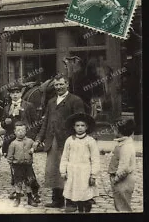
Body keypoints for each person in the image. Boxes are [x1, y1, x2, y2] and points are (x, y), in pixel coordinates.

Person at [33, 73, 85, 211]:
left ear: (67, 84)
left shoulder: (75, 100)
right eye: (56, 85)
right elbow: (46, 122)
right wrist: (39, 138)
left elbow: (80, 121)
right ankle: (57, 200)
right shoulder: (51, 102)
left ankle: (72, 202)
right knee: (54, 170)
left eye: (61, 84)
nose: (59, 87)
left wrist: (78, 139)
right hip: (52, 141)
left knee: (69, 171)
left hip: (69, 141)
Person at [1, 84, 41, 202]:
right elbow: (3, 123)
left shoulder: (28, 106)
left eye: (17, 92)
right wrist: (5, 122)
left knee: (28, 167)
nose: (15, 95)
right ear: (9, 94)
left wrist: (31, 140)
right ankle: (17, 189)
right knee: (14, 166)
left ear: (21, 93)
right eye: (12, 93)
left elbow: (35, 123)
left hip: (25, 141)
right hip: (12, 141)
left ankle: (34, 191)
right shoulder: (7, 108)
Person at [60, 113, 100, 213]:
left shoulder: (90, 141)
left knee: (85, 194)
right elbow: (65, 156)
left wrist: (93, 175)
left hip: (85, 172)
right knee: (74, 193)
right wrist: (63, 171)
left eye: (82, 125)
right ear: (74, 127)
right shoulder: (69, 140)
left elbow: (95, 159)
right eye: (77, 125)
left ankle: (86, 210)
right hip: (72, 171)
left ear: (86, 127)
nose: (80, 128)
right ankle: (75, 208)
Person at [7, 123, 39, 207]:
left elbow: (37, 146)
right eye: (18, 130)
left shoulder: (30, 141)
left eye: (23, 130)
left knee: (28, 182)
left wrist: (34, 148)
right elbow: (9, 156)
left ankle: (30, 198)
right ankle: (17, 198)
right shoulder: (13, 143)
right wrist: (11, 164)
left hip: (28, 166)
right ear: (14, 132)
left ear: (26, 131)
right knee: (18, 183)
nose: (20, 132)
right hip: (17, 166)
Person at [108, 119, 136, 212]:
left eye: (115, 130)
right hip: (121, 180)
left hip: (123, 181)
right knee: (120, 204)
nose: (113, 131)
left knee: (123, 207)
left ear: (120, 132)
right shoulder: (123, 143)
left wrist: (116, 179)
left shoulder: (126, 146)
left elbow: (124, 167)